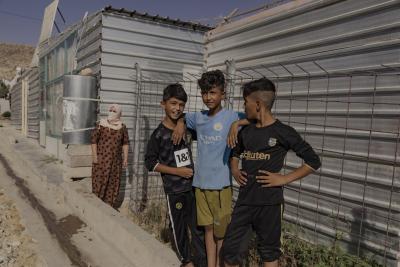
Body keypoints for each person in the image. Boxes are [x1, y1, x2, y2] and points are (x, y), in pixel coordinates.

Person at [221, 78, 321, 267]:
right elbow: (235, 153)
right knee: (230, 252)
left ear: (257, 104)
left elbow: (313, 161)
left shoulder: (283, 132)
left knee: (269, 254)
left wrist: (284, 178)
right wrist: (234, 169)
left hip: (270, 205)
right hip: (245, 202)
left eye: (245, 102)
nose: (244, 106)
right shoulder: (246, 132)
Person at [172, 70, 246, 267]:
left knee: (221, 233)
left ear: (223, 93)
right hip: (200, 185)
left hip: (221, 185)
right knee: (208, 231)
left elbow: (256, 119)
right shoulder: (198, 118)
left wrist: (237, 124)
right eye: (204, 93)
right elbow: (183, 117)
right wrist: (180, 123)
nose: (208, 97)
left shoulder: (232, 116)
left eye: (212, 92)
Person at [145, 83, 206, 267]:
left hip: (193, 187)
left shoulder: (187, 129)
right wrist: (176, 171)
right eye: (173, 103)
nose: (177, 108)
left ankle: (203, 261)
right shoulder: (158, 135)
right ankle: (186, 261)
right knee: (178, 227)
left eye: (181, 105)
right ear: (163, 104)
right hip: (174, 190)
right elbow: (150, 163)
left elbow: (202, 121)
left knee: (198, 228)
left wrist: (181, 122)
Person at [91, 104, 129, 209]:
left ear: (119, 114)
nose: (111, 112)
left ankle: (109, 207)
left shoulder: (122, 127)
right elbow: (93, 141)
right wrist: (95, 156)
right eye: (110, 110)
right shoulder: (101, 124)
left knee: (113, 184)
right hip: (101, 160)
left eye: (114, 111)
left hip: (116, 162)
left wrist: (125, 158)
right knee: (99, 182)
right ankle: (95, 206)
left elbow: (125, 143)